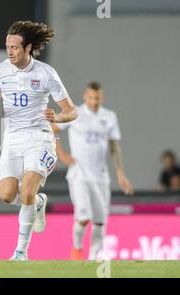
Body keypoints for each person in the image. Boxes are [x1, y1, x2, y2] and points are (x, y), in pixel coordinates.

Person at [0, 20, 78, 261]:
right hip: (12, 140)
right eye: (7, 47)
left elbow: (72, 111)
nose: (9, 52)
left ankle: (20, 252)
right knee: (7, 196)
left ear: (28, 47)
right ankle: (38, 203)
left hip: (39, 138)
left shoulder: (45, 73)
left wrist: (59, 116)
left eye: (14, 47)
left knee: (27, 192)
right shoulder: (1, 70)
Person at [52, 81, 133, 260]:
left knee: (99, 221)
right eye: (91, 97)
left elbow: (114, 146)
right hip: (79, 174)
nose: (94, 101)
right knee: (84, 216)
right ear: (85, 97)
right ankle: (77, 250)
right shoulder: (75, 113)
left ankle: (93, 259)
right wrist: (62, 154)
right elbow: (52, 128)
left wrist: (120, 173)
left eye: (97, 97)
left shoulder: (109, 116)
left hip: (101, 176)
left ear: (101, 97)